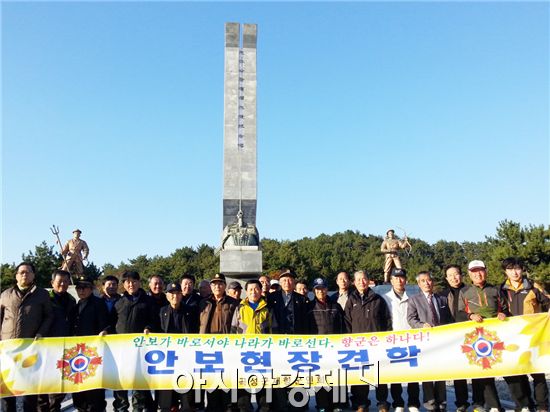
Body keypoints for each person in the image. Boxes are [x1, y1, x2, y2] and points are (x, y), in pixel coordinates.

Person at [0, 262, 53, 412]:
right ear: (16, 276)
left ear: (33, 275)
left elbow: (49, 316)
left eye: (28, 272)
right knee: (7, 390)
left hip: (30, 349)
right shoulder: (5, 294)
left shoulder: (42, 294)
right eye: (21, 272)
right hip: (7, 349)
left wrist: (41, 333)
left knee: (28, 391)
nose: (25, 274)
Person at [500, 257, 549, 412]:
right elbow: (497, 309)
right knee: (516, 374)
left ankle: (542, 406)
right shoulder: (500, 289)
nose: (514, 272)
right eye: (510, 269)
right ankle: (525, 405)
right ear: (505, 271)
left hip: (533, 337)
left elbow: (548, 302)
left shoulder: (533, 286)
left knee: (538, 373)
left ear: (522, 269)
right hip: (512, 339)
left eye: (517, 268)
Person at [459, 260, 508, 412]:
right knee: (484, 370)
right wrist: (471, 315)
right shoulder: (465, 292)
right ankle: (494, 406)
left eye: (480, 270)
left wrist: (503, 314)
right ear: (469, 274)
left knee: (507, 368)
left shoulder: (495, 289)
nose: (478, 274)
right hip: (477, 338)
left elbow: (506, 308)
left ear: (485, 271)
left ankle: (523, 404)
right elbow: (460, 313)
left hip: (496, 336)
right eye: (474, 271)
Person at [344, 270, 391, 412]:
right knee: (360, 376)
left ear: (368, 280)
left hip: (377, 345)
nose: (361, 282)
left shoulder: (378, 299)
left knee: (379, 375)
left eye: (364, 279)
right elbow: (347, 322)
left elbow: (387, 321)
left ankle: (382, 402)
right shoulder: (351, 300)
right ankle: (361, 403)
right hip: (358, 346)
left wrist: (386, 340)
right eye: (358, 279)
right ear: (354, 282)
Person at [407, 271, 452, 412]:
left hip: (441, 341)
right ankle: (430, 403)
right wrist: (421, 325)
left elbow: (448, 318)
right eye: (423, 281)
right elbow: (411, 319)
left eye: (429, 280)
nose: (427, 283)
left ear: (432, 282)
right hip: (424, 342)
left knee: (441, 373)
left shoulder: (441, 298)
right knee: (427, 374)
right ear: (419, 284)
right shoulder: (414, 300)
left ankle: (442, 402)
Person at [114, 270, 157, 412]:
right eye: (128, 282)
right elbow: (111, 321)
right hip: (121, 349)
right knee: (120, 381)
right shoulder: (118, 301)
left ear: (139, 282)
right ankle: (121, 407)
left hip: (141, 349)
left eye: (134, 281)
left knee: (138, 381)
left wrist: (148, 328)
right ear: (124, 285)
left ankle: (138, 408)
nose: (131, 284)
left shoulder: (148, 301)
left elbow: (154, 320)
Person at [267, 269, 309, 411]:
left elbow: (306, 322)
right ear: (280, 282)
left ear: (294, 282)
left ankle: (299, 403)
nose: (287, 282)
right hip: (278, 343)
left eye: (290, 280)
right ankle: (281, 404)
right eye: (284, 280)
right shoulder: (271, 298)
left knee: (297, 374)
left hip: (296, 343)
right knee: (279, 374)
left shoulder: (301, 299)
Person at [381, 268, 420, 412]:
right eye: (395, 278)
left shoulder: (414, 297)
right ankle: (398, 402)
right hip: (393, 341)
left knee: (412, 374)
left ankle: (413, 403)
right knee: (395, 375)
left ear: (406, 280)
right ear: (391, 280)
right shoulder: (385, 298)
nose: (399, 280)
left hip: (411, 340)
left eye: (401, 277)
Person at [199, 273, 239, 411]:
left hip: (227, 348)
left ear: (225, 286)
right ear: (211, 286)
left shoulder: (233, 303)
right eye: (215, 284)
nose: (218, 286)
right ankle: (212, 406)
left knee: (227, 379)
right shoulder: (204, 302)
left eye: (220, 283)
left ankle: (228, 406)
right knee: (211, 379)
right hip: (209, 348)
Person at [38, 269, 76, 412]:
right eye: (60, 281)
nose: (63, 284)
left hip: (65, 347)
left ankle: (55, 408)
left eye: (66, 281)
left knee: (61, 383)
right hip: (46, 347)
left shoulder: (71, 300)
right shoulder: (45, 298)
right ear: (52, 282)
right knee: (43, 383)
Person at [231, 279, 271, 412]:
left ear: (261, 290)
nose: (254, 292)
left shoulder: (267, 308)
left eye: (256, 289)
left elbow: (274, 329)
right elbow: (233, 330)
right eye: (250, 289)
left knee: (263, 381)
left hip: (263, 352)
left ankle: (264, 406)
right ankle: (244, 407)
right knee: (243, 381)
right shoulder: (240, 307)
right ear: (246, 292)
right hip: (244, 352)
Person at [70, 276, 109, 412]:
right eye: (79, 288)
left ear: (91, 289)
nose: (82, 290)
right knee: (78, 387)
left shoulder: (99, 303)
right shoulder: (75, 307)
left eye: (85, 287)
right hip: (77, 353)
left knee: (95, 390)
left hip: (93, 352)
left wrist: (104, 331)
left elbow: (105, 323)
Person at [307, 277, 345, 412]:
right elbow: (306, 329)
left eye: (323, 288)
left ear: (327, 289)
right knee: (320, 378)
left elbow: (343, 327)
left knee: (336, 377)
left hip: (335, 349)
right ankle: (322, 405)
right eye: (317, 289)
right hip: (317, 350)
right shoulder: (309, 307)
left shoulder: (336, 306)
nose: (320, 291)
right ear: (314, 291)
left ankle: (337, 405)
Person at [157, 282, 193, 412]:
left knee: (185, 383)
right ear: (167, 295)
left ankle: (186, 408)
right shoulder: (162, 311)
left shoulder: (189, 311)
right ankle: (166, 408)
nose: (175, 296)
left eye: (177, 293)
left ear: (181, 295)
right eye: (171, 293)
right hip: (167, 356)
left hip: (186, 354)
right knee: (166, 385)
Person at [440, 265, 470, 412]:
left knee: (476, 370)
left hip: (470, 336)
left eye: (456, 274)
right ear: (446, 278)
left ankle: (480, 401)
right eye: (450, 275)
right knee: (458, 372)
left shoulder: (471, 291)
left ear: (461, 275)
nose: (453, 278)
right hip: (450, 338)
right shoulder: (442, 295)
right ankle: (461, 403)